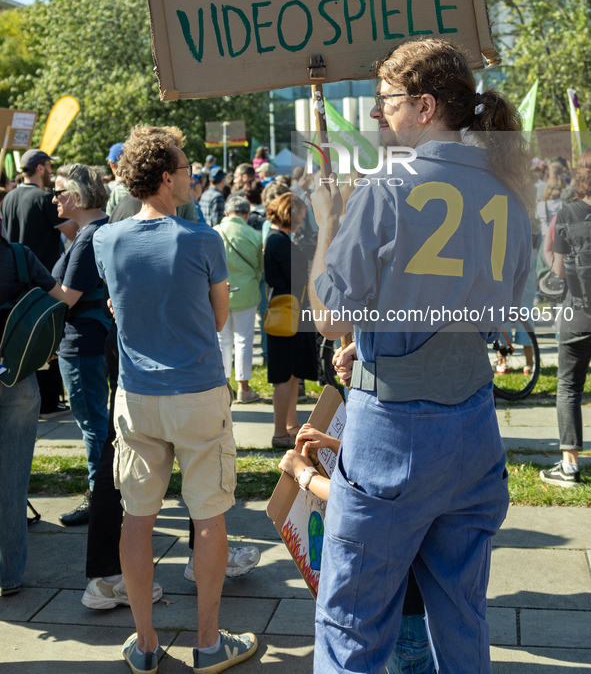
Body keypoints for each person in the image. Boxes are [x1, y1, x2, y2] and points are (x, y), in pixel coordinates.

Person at [308, 39, 532, 674]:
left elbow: (328, 319)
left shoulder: (384, 187)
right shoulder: (510, 190)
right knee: (462, 622)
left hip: (392, 439)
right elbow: (500, 318)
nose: (378, 115)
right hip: (474, 434)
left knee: (351, 623)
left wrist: (328, 219)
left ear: (424, 105)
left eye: (386, 101)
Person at [93, 126, 257, 674]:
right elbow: (216, 319)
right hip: (197, 393)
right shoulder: (201, 239)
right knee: (208, 513)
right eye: (185, 169)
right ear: (166, 177)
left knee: (137, 516)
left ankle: (144, 644)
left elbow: (121, 306)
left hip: (137, 395)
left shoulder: (104, 240)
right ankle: (208, 644)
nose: (191, 177)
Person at [279, 425, 436, 674]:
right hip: (420, 590)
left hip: (405, 605)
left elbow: (357, 498)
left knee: (410, 664)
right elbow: (378, 470)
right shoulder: (422, 432)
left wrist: (304, 474)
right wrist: (332, 443)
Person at [0, 232, 69, 596]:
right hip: (17, 376)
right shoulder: (18, 254)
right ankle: (8, 575)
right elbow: (58, 298)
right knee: (12, 481)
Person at [51, 165, 112, 526]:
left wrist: (33, 275)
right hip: (93, 338)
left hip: (83, 341)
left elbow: (67, 298)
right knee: (98, 422)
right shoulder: (96, 230)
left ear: (75, 195)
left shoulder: (89, 236)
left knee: (93, 423)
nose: (54, 199)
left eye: (58, 191)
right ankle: (105, 493)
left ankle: (98, 496)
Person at [1, 148, 77, 417]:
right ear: (42, 168)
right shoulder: (44, 199)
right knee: (44, 342)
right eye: (48, 166)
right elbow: (72, 231)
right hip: (43, 277)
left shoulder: (8, 197)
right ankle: (48, 402)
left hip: (14, 279)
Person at [540, 148, 591, 487]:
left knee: (569, 386)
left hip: (578, 312)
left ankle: (569, 465)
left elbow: (558, 269)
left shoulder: (569, 213)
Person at [264, 193, 318, 449]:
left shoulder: (276, 239)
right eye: (301, 216)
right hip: (290, 315)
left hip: (287, 312)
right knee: (286, 377)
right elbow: (297, 278)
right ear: (291, 214)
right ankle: (280, 432)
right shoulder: (280, 242)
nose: (302, 221)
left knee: (291, 375)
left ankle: (289, 427)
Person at [215, 195, 264, 404]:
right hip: (247, 291)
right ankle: (244, 387)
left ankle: (224, 386)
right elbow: (260, 267)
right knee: (244, 340)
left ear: (226, 213)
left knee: (222, 340)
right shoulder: (254, 234)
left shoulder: (214, 232)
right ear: (246, 215)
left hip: (219, 291)